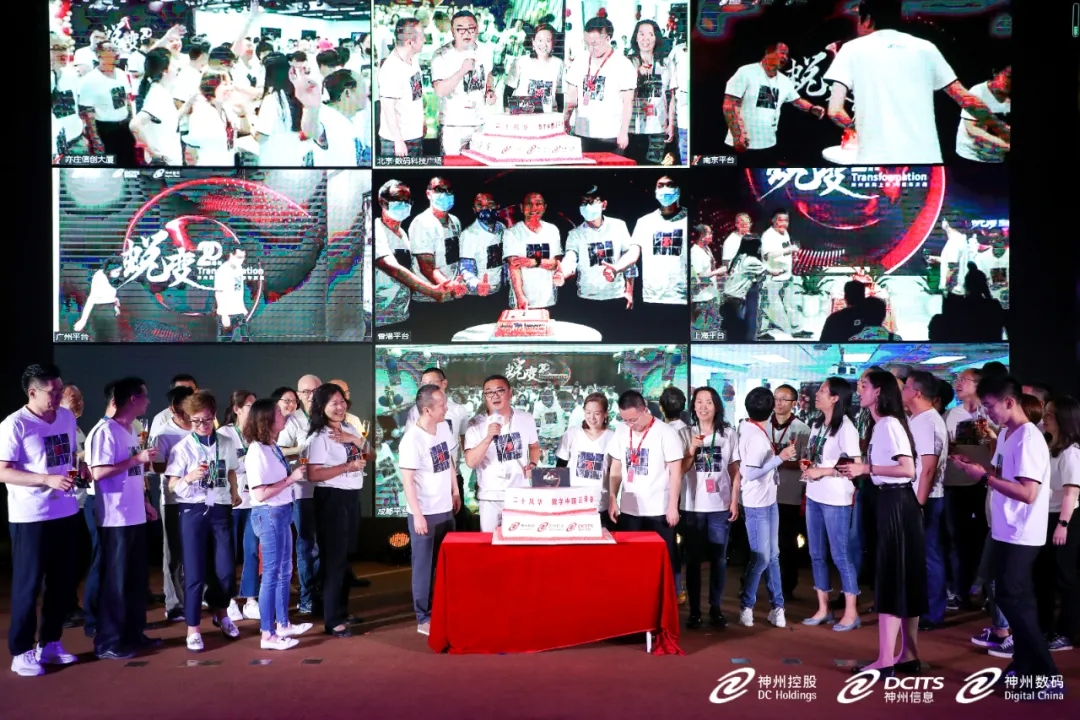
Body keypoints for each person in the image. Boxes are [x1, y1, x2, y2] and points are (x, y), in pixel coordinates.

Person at [951, 376, 1057, 683]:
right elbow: (1000, 474)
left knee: (1014, 599)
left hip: (1022, 531)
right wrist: (977, 469)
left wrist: (984, 477)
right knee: (1011, 598)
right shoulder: (1009, 434)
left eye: (989, 406)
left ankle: (1043, 671)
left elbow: (1028, 493)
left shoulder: (1028, 438)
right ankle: (1024, 663)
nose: (986, 413)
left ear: (1009, 402)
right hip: (1005, 528)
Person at [823, 0, 1009, 165]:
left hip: (875, 160)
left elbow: (835, 111)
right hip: (926, 160)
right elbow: (967, 100)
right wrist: (1003, 129)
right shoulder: (926, 48)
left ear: (867, 20)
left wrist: (856, 129)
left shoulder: (851, 49)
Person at [839, 371, 928, 675]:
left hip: (895, 504)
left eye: (863, 386)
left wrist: (866, 468)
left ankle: (886, 660)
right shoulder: (886, 424)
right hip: (897, 504)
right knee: (904, 579)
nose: (859, 390)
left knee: (891, 579)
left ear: (878, 392)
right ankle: (907, 655)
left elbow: (907, 469)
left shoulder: (888, 425)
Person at [0, 364, 82, 676]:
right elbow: (2, 470)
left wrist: (76, 474)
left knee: (61, 583)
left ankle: (50, 643)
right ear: (32, 392)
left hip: (65, 511)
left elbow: (69, 457)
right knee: (29, 583)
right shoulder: (15, 424)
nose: (60, 396)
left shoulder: (66, 417)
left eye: (60, 390)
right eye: (53, 392)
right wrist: (45, 479)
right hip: (30, 516)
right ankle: (21, 651)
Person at [86, 377, 160, 660]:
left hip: (134, 514)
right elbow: (98, 472)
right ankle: (108, 641)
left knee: (135, 579)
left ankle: (133, 633)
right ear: (132, 399)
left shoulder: (130, 430)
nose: (148, 401)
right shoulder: (105, 431)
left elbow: (134, 474)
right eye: (144, 396)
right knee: (115, 581)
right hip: (115, 518)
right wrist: (136, 460)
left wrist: (144, 502)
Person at [163, 391, 242, 652]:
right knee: (194, 571)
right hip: (193, 510)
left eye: (206, 419)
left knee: (226, 570)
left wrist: (234, 492)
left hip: (220, 509)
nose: (202, 425)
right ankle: (193, 627)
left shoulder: (225, 443)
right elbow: (172, 485)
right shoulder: (183, 448)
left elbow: (231, 470)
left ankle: (221, 613)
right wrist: (189, 477)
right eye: (196, 421)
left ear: (214, 416)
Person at [243, 399, 312, 650]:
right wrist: (291, 479)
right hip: (269, 514)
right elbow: (260, 493)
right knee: (271, 574)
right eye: (279, 414)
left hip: (282, 511)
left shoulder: (271, 446)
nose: (284, 416)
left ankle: (283, 624)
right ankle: (267, 634)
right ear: (267, 420)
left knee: (284, 570)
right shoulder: (256, 451)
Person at [305, 384, 368, 638]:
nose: (340, 407)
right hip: (332, 498)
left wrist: (355, 440)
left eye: (342, 402)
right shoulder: (319, 437)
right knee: (333, 560)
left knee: (345, 559)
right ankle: (331, 619)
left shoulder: (350, 428)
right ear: (321, 407)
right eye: (334, 403)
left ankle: (341, 611)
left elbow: (371, 454)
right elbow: (313, 474)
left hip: (350, 497)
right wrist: (346, 467)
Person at [399, 385, 461, 636]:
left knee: (442, 564)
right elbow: (408, 481)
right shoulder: (411, 440)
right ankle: (423, 617)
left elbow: (448, 461)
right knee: (423, 567)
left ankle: (441, 608)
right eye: (442, 404)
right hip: (424, 512)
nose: (446, 408)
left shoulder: (443, 427)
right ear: (427, 410)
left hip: (445, 508)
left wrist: (455, 490)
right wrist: (418, 515)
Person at [801, 378, 862, 630]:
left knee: (840, 555)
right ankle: (823, 608)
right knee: (816, 554)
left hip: (836, 499)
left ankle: (851, 612)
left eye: (823, 391)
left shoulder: (846, 428)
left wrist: (823, 471)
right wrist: (809, 467)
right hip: (814, 495)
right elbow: (817, 456)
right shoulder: (817, 424)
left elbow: (855, 466)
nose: (817, 394)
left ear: (836, 397)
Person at [608, 390, 684, 587]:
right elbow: (615, 468)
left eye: (633, 420)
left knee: (666, 561)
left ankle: (673, 595)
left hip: (659, 509)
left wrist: (673, 506)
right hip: (630, 509)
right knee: (632, 560)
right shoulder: (621, 431)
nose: (630, 425)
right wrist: (612, 498)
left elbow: (676, 474)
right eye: (625, 420)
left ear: (645, 410)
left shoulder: (666, 433)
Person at [736, 387, 794, 629]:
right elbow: (750, 473)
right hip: (756, 504)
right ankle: (747, 607)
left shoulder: (748, 428)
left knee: (773, 556)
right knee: (761, 558)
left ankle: (777, 607)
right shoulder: (755, 436)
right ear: (770, 410)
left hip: (768, 501)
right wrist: (781, 457)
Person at [683, 387, 739, 628]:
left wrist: (734, 500)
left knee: (719, 559)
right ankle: (694, 611)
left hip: (719, 505)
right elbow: (679, 470)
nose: (703, 406)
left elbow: (735, 470)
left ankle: (715, 607)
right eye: (699, 402)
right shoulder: (685, 433)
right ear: (693, 406)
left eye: (708, 402)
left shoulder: (728, 434)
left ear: (717, 406)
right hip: (692, 506)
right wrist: (691, 450)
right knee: (693, 560)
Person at [903, 372, 950, 631]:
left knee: (930, 555)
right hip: (917, 495)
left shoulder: (929, 422)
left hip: (926, 498)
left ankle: (934, 612)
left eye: (906, 387)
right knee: (920, 556)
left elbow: (929, 468)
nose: (902, 391)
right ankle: (921, 607)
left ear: (917, 393)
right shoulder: (917, 418)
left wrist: (918, 503)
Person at [463, 376, 540, 531]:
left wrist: (533, 464)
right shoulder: (475, 424)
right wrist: (488, 438)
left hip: (520, 494)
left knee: (520, 542)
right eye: (489, 392)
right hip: (490, 496)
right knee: (490, 542)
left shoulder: (526, 419)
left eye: (500, 391)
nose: (495, 396)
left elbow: (534, 447)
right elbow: (471, 462)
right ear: (484, 396)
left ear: (510, 393)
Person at [1037, 396, 1080, 651]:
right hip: (1048, 516)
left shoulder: (1071, 452)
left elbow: (1071, 493)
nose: (1045, 417)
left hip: (1065, 518)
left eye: (1050, 414)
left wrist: (1062, 524)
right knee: (1045, 575)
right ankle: (1046, 628)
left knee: (1065, 577)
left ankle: (1066, 632)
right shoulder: (1050, 446)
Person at [556, 392, 616, 531]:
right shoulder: (572, 433)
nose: (592, 418)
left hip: (599, 505)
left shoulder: (613, 437)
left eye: (597, 413)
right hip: (573, 502)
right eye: (588, 413)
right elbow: (560, 467)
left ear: (605, 414)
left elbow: (614, 472)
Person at [377, 18, 426, 159]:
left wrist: (421, 122)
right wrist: (398, 141)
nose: (424, 40)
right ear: (410, 42)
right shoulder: (392, 68)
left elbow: (415, 95)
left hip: (414, 134)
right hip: (398, 141)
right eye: (422, 37)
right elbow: (388, 108)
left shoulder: (413, 59)